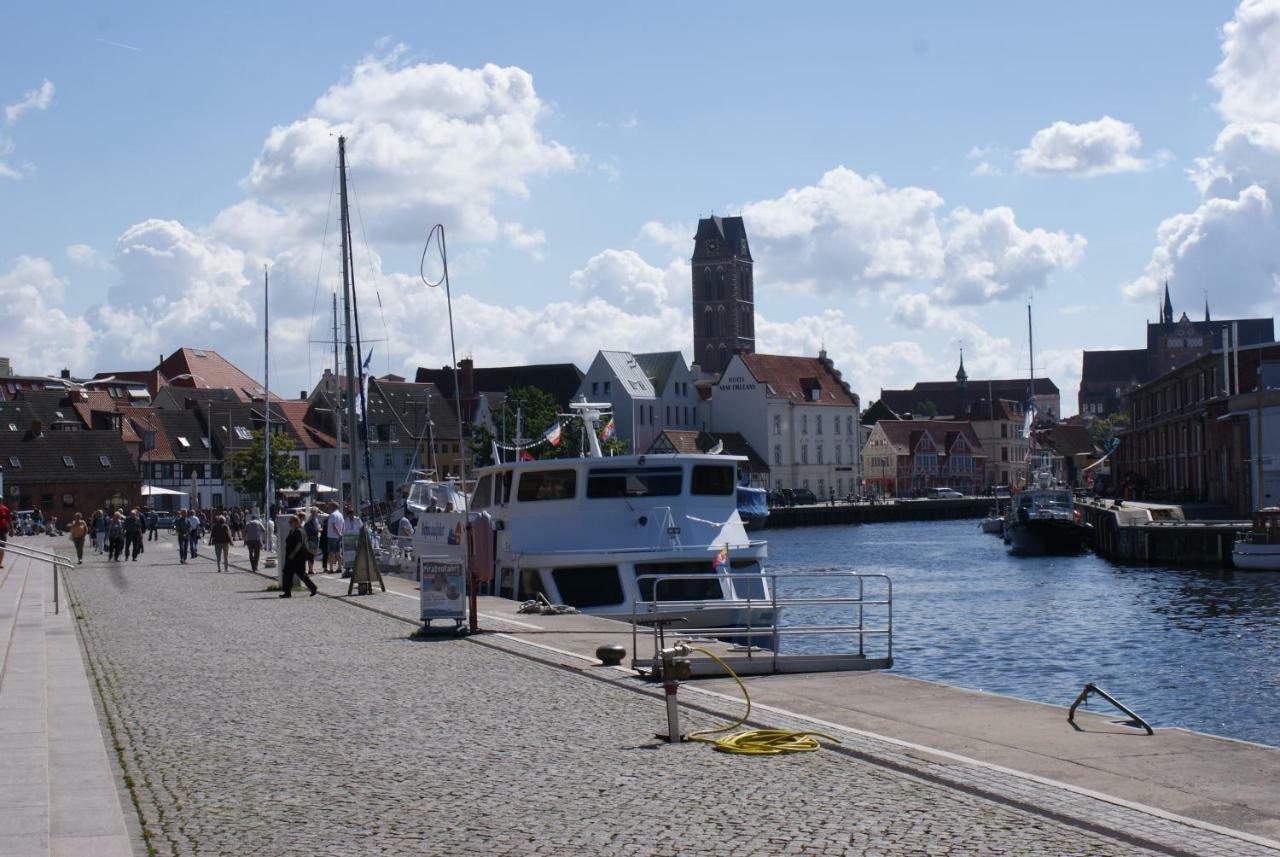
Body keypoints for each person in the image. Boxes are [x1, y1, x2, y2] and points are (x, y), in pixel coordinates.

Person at [280, 515, 318, 597]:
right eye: (289, 522)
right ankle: (287, 592)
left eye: (291, 522)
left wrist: (293, 554)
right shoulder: (291, 531)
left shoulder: (300, 531)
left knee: (301, 574)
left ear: (296, 522)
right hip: (290, 557)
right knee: (287, 573)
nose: (289, 524)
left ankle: (313, 588)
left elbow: (299, 544)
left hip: (297, 557)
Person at [324, 501, 345, 573]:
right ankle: (339, 567)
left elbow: (333, 526)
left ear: (333, 507)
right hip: (338, 536)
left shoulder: (332, 515)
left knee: (331, 553)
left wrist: (338, 533)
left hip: (332, 536)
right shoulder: (340, 514)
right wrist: (340, 534)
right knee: (338, 552)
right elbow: (343, 525)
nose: (329, 508)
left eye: (330, 506)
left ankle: (331, 569)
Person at [303, 508, 321, 574]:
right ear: (314, 513)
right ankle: (311, 570)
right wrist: (321, 529)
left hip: (308, 538)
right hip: (314, 538)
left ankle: (309, 569)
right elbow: (317, 529)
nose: (318, 513)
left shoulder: (307, 519)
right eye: (317, 512)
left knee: (309, 554)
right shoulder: (315, 519)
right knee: (312, 554)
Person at [0, 498, 10, 569]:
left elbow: (9, 519)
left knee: (2, 547)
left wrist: (12, 529)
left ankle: (0, 563)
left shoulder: (5, 508)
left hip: (3, 530)